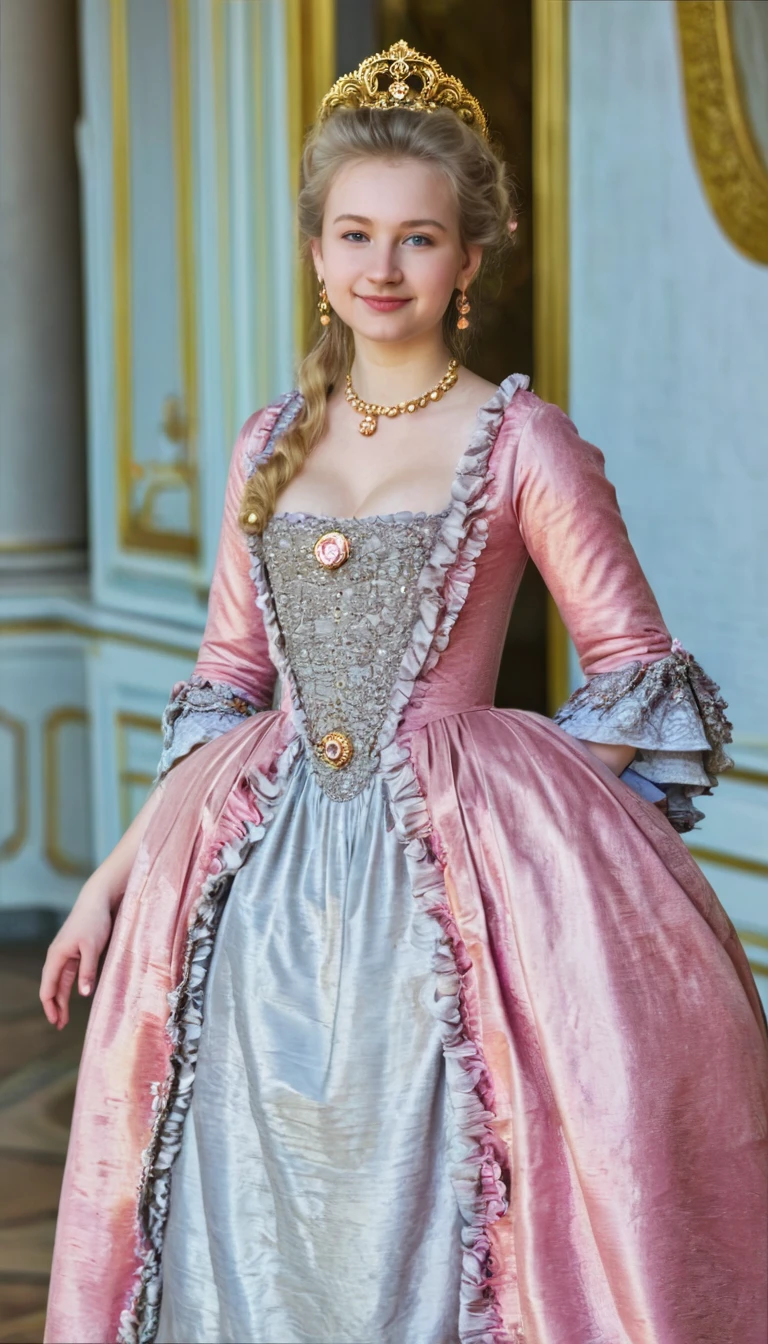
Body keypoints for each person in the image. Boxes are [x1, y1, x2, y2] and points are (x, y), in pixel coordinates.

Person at [42, 41, 768, 1344]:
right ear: (317, 252)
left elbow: (632, 667)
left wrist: (529, 842)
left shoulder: (521, 440)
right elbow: (223, 681)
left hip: (453, 878)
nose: (384, 268)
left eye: (419, 239)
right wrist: (107, 887)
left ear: (472, 258)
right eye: (356, 235)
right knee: (267, 1185)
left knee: (440, 1177)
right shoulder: (269, 443)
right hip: (259, 887)